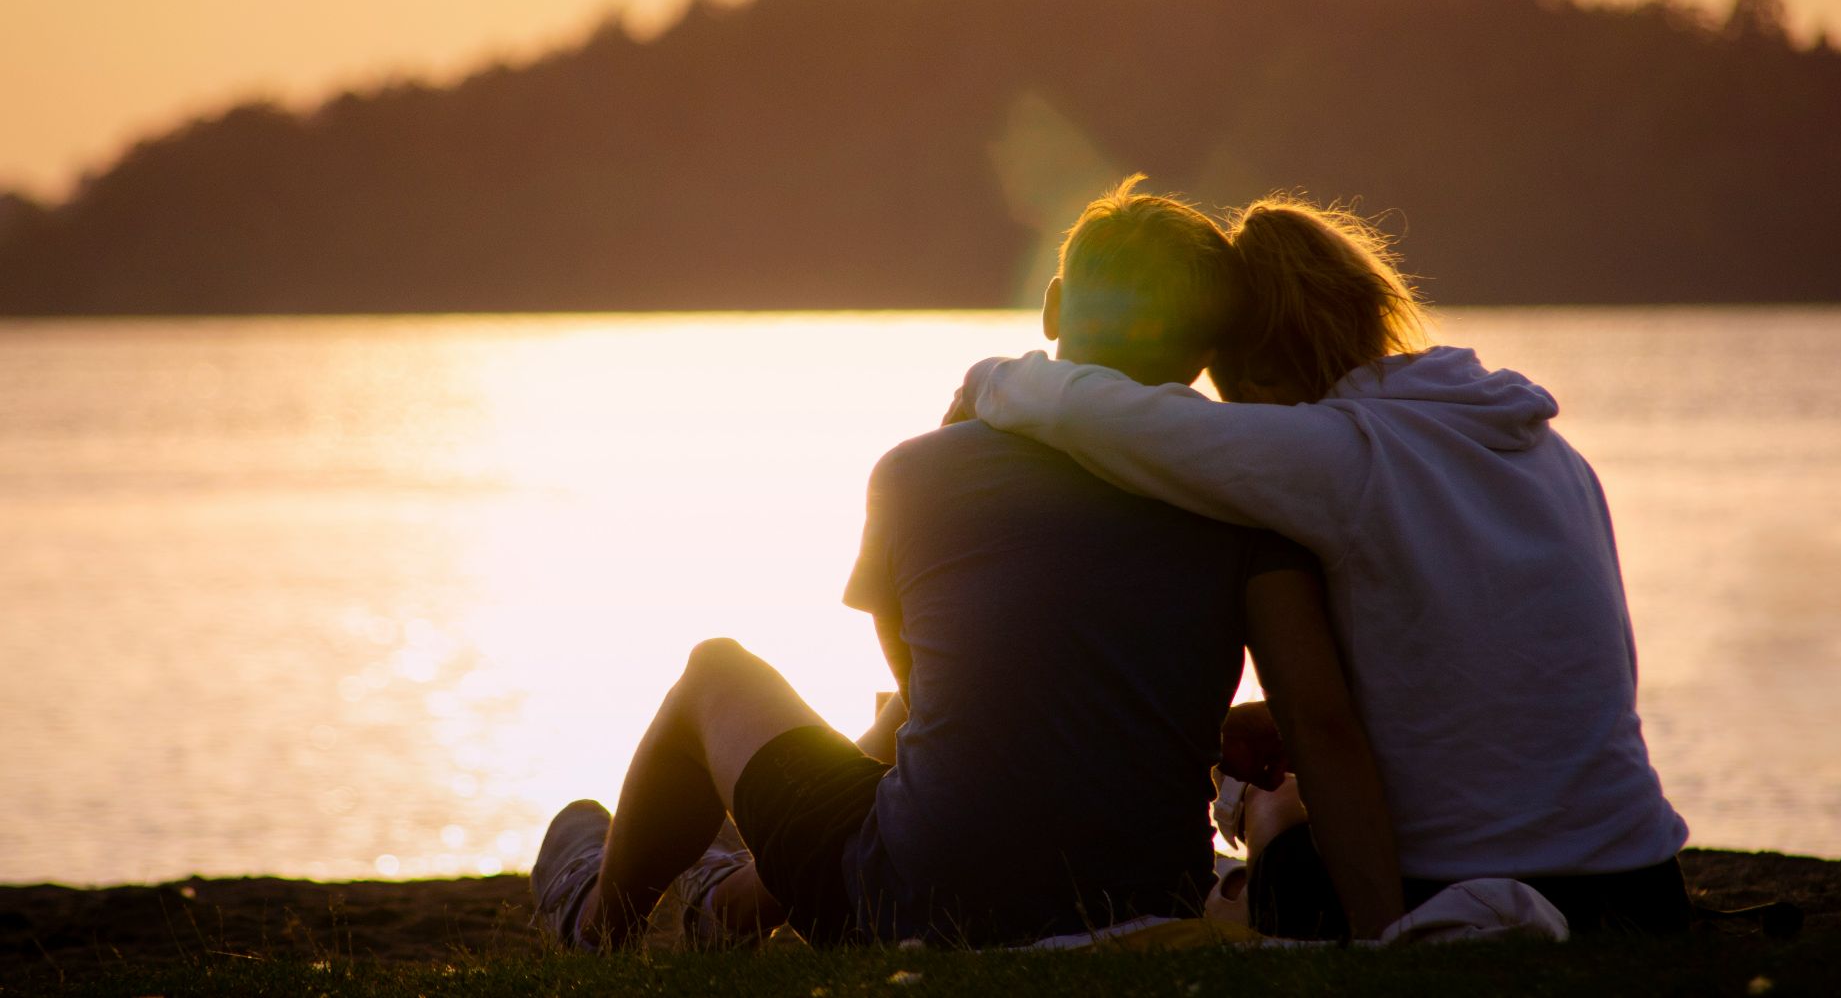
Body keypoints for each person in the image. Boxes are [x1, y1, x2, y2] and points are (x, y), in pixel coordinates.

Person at [530, 180, 1403, 950]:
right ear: (1208, 349)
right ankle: (726, 902)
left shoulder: (915, 471)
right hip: (1146, 895)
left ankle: (599, 922)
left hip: (915, 906)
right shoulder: (1246, 498)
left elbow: (929, 688)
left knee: (716, 673)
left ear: (1056, 307)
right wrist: (1384, 936)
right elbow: (1318, 721)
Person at [960, 193, 1693, 935]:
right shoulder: (1542, 446)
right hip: (1642, 883)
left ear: (1257, 370)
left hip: (1458, 887)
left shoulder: (1337, 452)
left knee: (1271, 803)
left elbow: (1111, 418)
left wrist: (992, 379)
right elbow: (1513, 665)